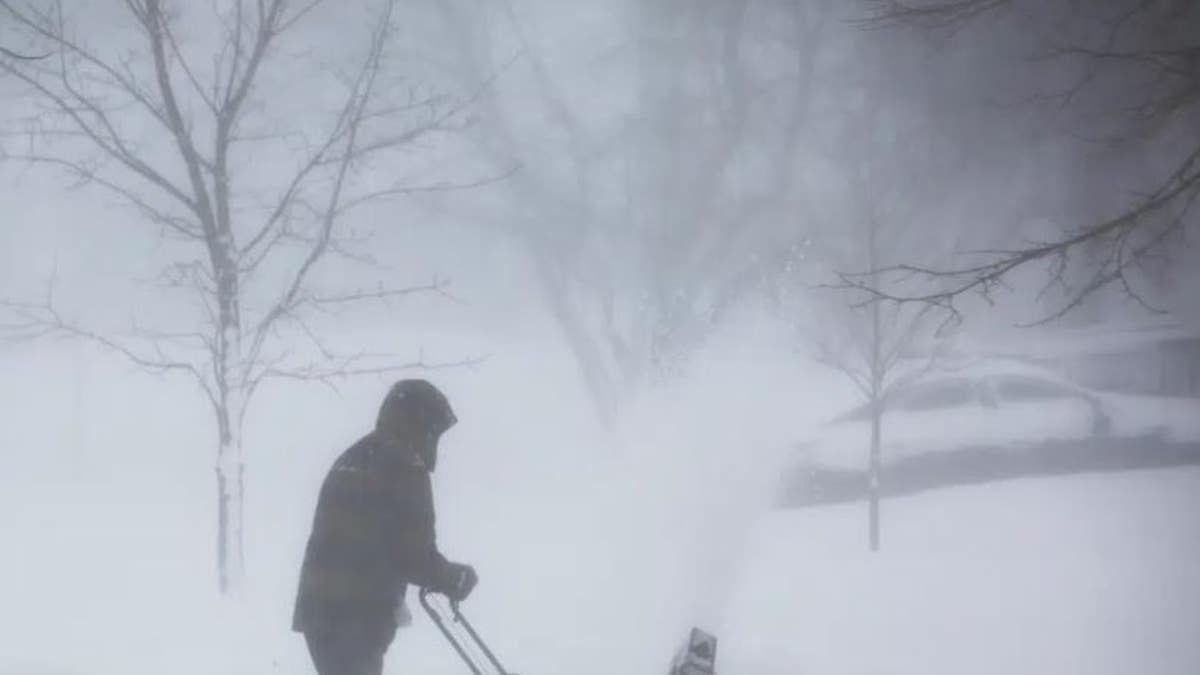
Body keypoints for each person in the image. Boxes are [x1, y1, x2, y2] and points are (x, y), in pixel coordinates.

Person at [293, 379, 478, 675]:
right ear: (423, 426)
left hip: (319, 611)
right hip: (357, 617)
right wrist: (453, 577)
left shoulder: (355, 456)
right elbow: (413, 555)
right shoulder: (405, 467)